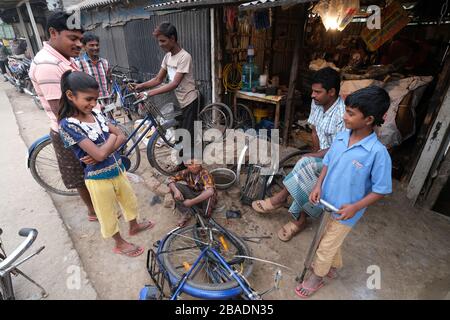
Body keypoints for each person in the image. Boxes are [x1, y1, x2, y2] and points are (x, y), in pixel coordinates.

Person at [295, 86, 392, 298]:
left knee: (325, 245)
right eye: (346, 111)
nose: (344, 116)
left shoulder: (377, 153)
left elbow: (381, 190)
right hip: (327, 202)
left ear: (368, 120)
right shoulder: (340, 137)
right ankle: (333, 266)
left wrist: (356, 207)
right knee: (329, 238)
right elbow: (327, 163)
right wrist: (318, 185)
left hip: (346, 211)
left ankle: (316, 277)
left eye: (350, 113)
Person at [58, 70, 155, 257]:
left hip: (117, 170)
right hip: (97, 179)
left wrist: (102, 150)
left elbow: (122, 135)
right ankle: (119, 243)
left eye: (95, 99)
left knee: (130, 200)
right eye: (88, 99)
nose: (93, 104)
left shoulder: (96, 114)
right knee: (107, 213)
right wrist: (110, 140)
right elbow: (112, 141)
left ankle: (133, 226)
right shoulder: (68, 125)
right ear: (70, 95)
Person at [252, 67, 346, 242]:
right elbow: (315, 132)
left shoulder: (343, 115)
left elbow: (340, 149)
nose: (312, 95)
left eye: (318, 92)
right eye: (313, 91)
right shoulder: (318, 103)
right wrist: (315, 153)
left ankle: (287, 207)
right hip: (321, 154)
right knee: (305, 166)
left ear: (331, 92)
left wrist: (316, 158)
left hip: (337, 161)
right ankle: (295, 213)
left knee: (304, 166)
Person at [29, 11, 98, 221]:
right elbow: (62, 112)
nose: (79, 44)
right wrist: (86, 139)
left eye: (80, 39)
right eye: (73, 38)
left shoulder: (63, 58)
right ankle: (95, 213)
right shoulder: (48, 64)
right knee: (81, 176)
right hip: (73, 131)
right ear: (53, 33)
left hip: (83, 125)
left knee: (89, 171)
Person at [133, 22, 198, 153]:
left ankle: (189, 167)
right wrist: (141, 86)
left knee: (187, 136)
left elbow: (174, 83)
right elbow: (158, 79)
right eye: (159, 41)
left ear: (173, 39)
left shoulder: (185, 57)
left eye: (163, 41)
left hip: (188, 101)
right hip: (176, 102)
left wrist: (148, 94)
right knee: (179, 134)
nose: (160, 44)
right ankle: (182, 165)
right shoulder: (168, 57)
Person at [167, 158, 216, 227]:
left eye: (197, 163)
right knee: (174, 186)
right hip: (194, 193)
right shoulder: (186, 172)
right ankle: (186, 213)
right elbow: (170, 179)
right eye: (190, 164)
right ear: (186, 165)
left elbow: (210, 191)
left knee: (205, 215)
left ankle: (198, 211)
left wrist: (191, 202)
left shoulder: (204, 173)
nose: (194, 166)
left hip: (204, 198)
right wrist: (176, 191)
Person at [75, 33, 110, 104]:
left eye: (97, 45)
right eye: (91, 45)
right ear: (84, 47)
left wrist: (109, 91)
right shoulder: (78, 64)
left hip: (107, 102)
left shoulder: (105, 62)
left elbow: (109, 79)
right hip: (90, 104)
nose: (95, 48)